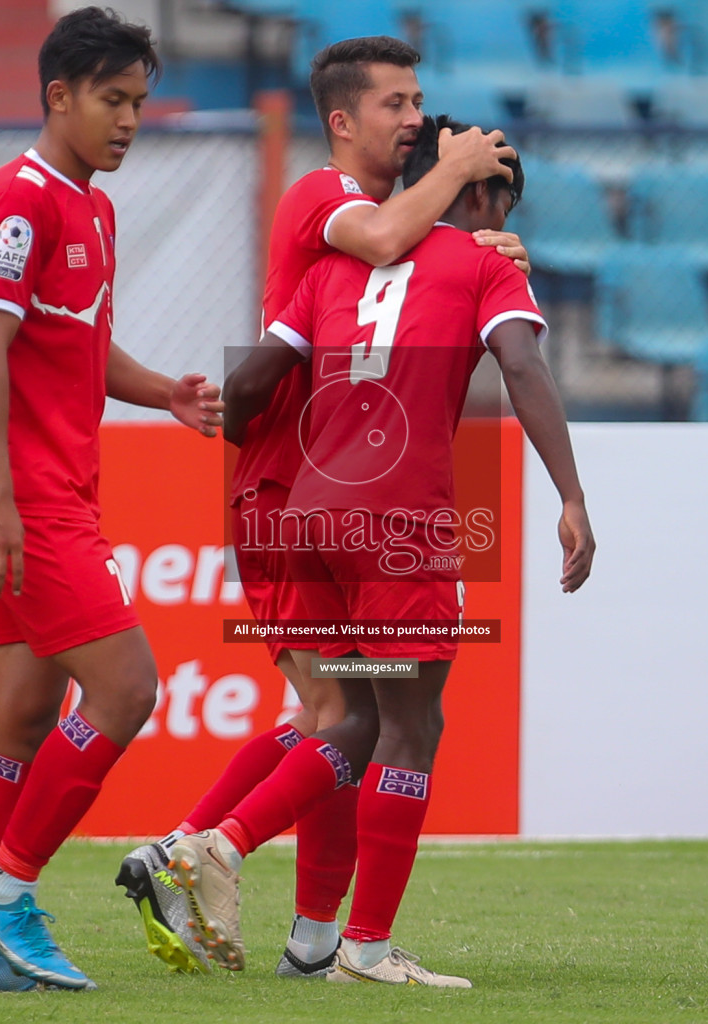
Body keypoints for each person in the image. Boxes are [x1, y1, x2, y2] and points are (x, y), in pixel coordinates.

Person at [115, 35, 528, 979]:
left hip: (323, 485)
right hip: (286, 480)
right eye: (395, 102)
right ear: (341, 122)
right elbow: (386, 244)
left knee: (335, 716)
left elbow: (412, 259)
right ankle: (196, 850)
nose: (416, 117)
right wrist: (463, 177)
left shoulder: (394, 219)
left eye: (419, 99)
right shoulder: (323, 197)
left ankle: (298, 932)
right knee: (345, 715)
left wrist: (483, 245)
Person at [172, 115, 594, 987]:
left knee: (353, 719)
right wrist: (571, 493)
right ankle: (339, 928)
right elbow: (522, 366)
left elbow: (251, 381)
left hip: (311, 515)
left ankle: (282, 911)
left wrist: (245, 436)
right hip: (401, 523)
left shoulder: (337, 265)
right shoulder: (486, 267)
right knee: (412, 724)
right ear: (487, 194)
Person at [0, 6, 222, 993]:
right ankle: (6, 892)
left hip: (50, 492)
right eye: (113, 100)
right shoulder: (19, 203)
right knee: (128, 685)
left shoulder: (94, 208)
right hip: (21, 499)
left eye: (140, 102)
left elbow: (82, 352)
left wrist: (166, 394)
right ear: (59, 97)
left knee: (19, 714)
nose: (130, 119)